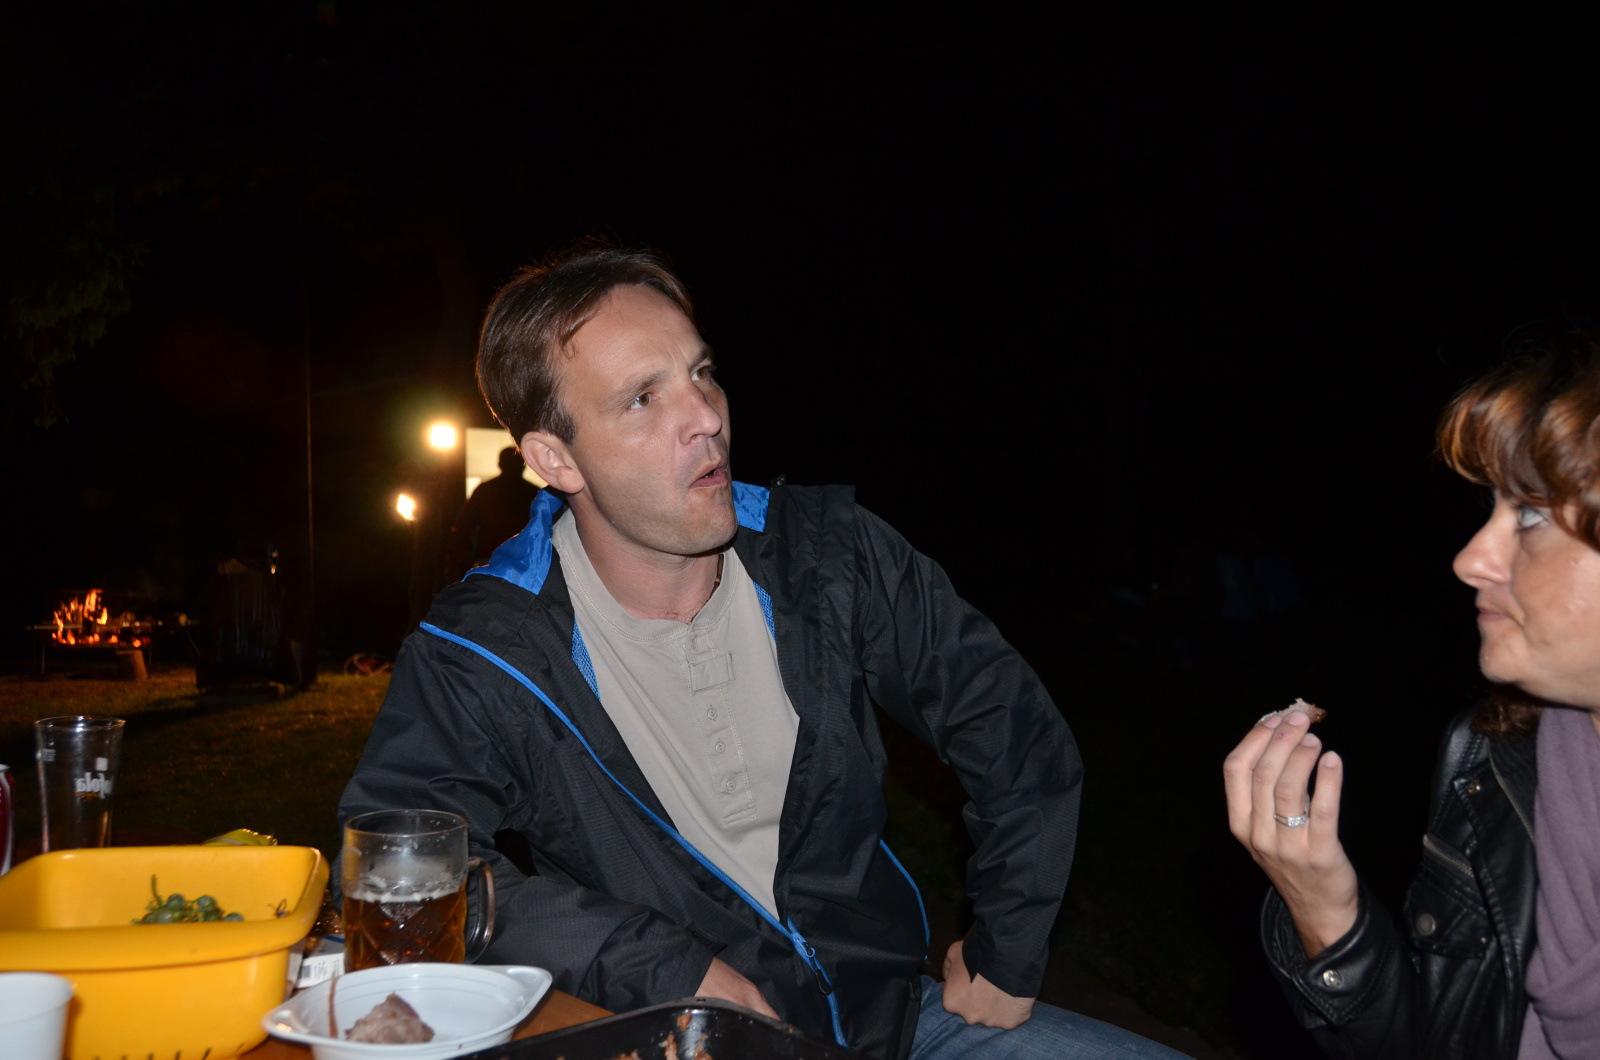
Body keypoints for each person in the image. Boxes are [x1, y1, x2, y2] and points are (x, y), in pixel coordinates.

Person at [338, 246, 1188, 1060]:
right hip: (674, 1036)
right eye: (643, 398)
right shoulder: (485, 649)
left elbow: (1008, 723)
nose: (707, 417)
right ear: (556, 459)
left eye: (702, 373)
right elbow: (392, 863)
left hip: (895, 1021)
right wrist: (655, 966)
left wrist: (1009, 950)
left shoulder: (829, 556)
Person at [1223, 336, 1600, 1059]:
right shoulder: (1493, 762)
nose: (1469, 559)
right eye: (1491, 507)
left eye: (1530, 515)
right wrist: (1324, 911)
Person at [444, 445, 541, 580]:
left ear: (500, 464)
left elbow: (465, 527)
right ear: (524, 465)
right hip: (525, 563)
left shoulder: (486, 491)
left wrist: (453, 563)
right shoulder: (534, 493)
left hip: (490, 560)